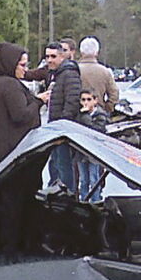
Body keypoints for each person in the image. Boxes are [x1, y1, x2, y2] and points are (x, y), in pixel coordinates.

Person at [0, 42, 45, 182]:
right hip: (10, 153)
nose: (25, 70)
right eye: (22, 65)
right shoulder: (10, 85)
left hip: (3, 151)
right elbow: (20, 115)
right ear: (10, 64)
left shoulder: (0, 83)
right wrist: (39, 101)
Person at [43, 42, 82, 189]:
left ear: (62, 57)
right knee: (56, 166)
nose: (49, 60)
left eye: (53, 56)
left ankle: (67, 197)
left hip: (63, 131)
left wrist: (62, 127)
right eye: (47, 56)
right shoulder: (56, 75)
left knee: (64, 168)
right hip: (55, 129)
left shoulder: (69, 74)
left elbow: (72, 103)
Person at [74, 90, 108, 203]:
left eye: (89, 99)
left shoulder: (100, 115)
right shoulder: (79, 115)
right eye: (83, 100)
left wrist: (85, 115)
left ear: (95, 101)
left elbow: (94, 130)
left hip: (94, 153)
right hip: (81, 152)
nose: (86, 102)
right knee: (84, 180)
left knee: (94, 179)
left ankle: (96, 201)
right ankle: (84, 201)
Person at [77, 37, 119, 113]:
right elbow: (114, 94)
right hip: (98, 112)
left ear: (81, 52)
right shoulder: (105, 71)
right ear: (97, 52)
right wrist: (106, 108)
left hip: (77, 113)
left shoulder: (74, 70)